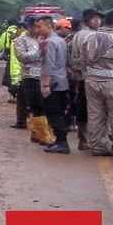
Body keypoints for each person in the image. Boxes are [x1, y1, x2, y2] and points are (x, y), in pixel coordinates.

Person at [82, 10, 113, 158]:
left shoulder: (88, 38)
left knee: (95, 115)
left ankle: (98, 147)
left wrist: (88, 77)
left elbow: (82, 62)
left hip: (91, 82)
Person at [39, 15, 72, 154]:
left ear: (48, 26)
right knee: (59, 112)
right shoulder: (61, 41)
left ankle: (62, 142)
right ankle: (60, 141)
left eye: (40, 26)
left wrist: (46, 85)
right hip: (62, 81)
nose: (38, 29)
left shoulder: (50, 42)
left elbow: (48, 65)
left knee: (53, 113)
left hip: (53, 83)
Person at [67, 11, 100, 151]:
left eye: (99, 19)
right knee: (92, 110)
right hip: (89, 78)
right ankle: (89, 140)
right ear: (87, 20)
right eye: (95, 19)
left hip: (81, 78)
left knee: (83, 108)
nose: (98, 22)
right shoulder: (90, 35)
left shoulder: (78, 35)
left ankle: (84, 139)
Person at [13, 19, 44, 133]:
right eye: (36, 27)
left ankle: (38, 129)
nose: (38, 29)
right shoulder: (20, 40)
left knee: (39, 104)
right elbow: (22, 57)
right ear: (29, 27)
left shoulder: (42, 38)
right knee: (31, 103)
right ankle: (30, 127)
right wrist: (39, 51)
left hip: (43, 75)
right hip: (29, 75)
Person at [0, 20, 22, 105]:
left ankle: (12, 96)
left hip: (10, 57)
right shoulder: (21, 33)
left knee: (9, 77)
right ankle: (20, 95)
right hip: (21, 57)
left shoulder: (6, 33)